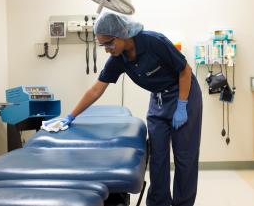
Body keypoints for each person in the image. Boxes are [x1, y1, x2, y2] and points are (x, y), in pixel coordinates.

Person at [60, 12, 203, 206]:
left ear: (121, 35)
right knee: (157, 159)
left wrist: (182, 105)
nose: (107, 49)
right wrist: (70, 116)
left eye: (108, 43)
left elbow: (185, 71)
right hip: (159, 100)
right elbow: (96, 89)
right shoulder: (118, 59)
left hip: (184, 95)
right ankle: (158, 203)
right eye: (103, 45)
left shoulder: (154, 42)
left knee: (184, 158)